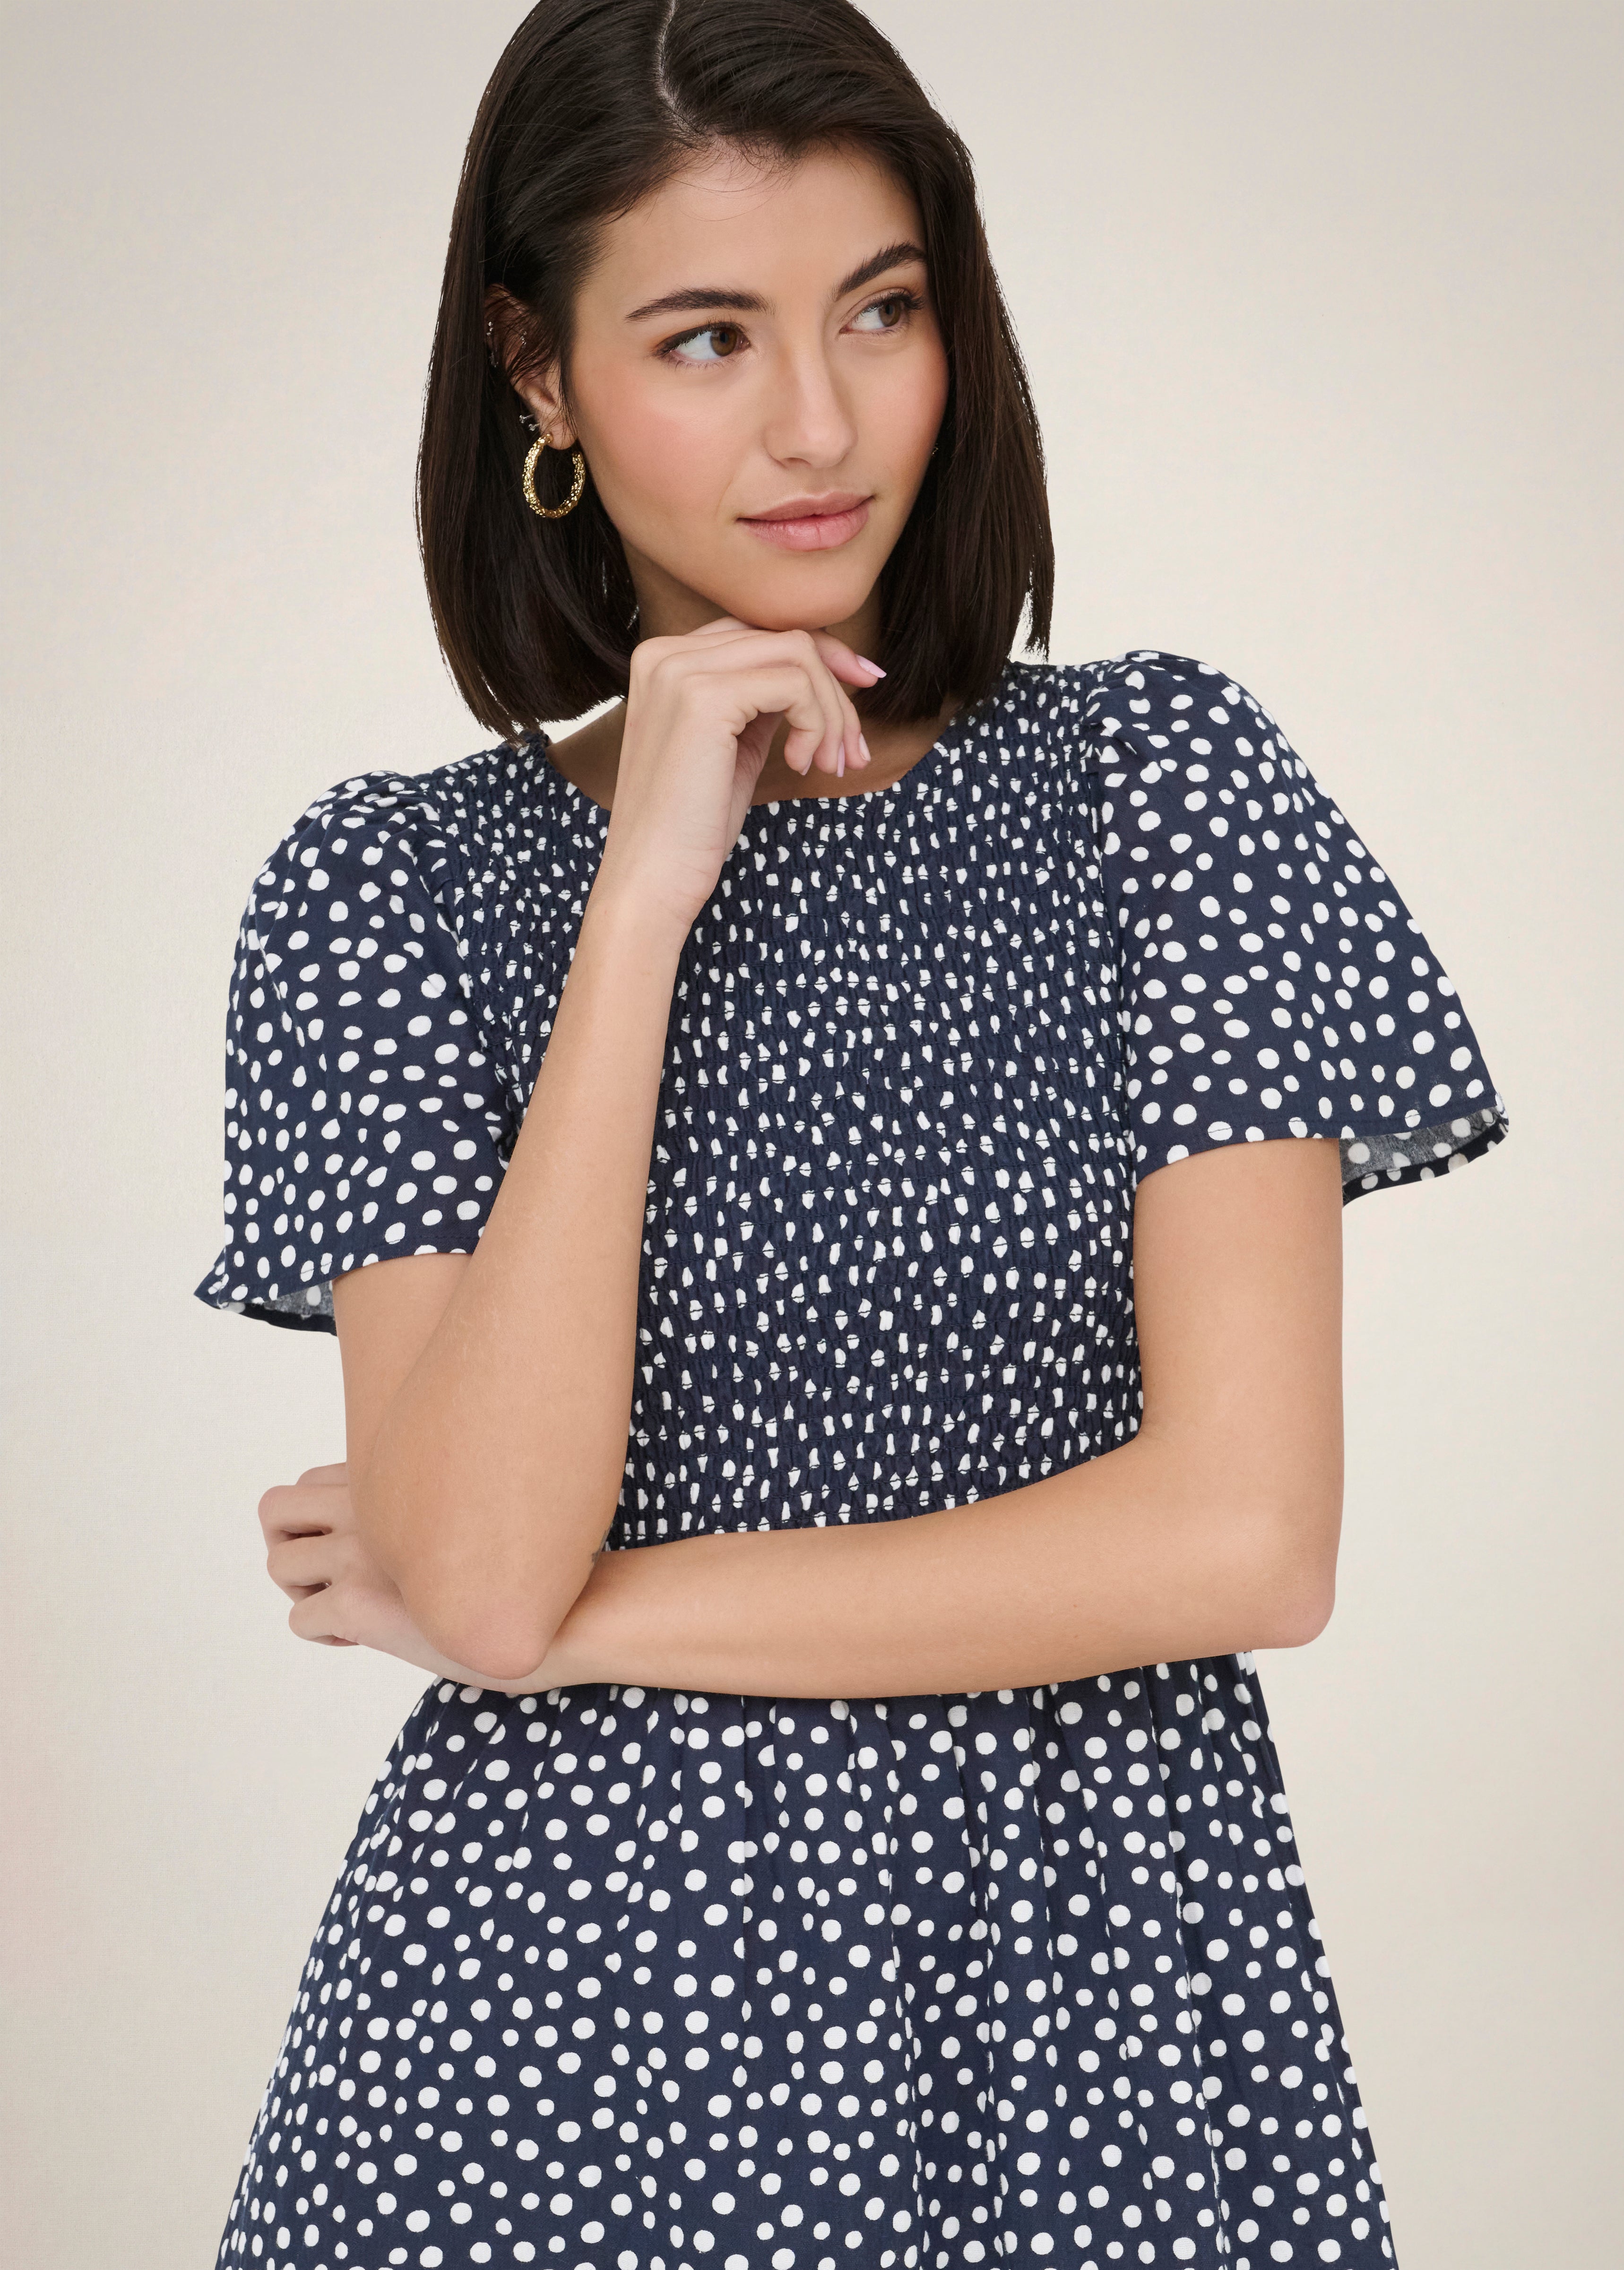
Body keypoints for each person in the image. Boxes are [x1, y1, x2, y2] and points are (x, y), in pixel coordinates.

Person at [193, 3, 1508, 2266]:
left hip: (1089, 2012)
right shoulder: (386, 890)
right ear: (533, 369)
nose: (818, 424)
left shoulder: (1156, 792)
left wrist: (576, 1628)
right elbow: (479, 1563)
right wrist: (639, 908)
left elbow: (1243, 1538)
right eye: (706, 337)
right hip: (549, 2046)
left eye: (880, 313)